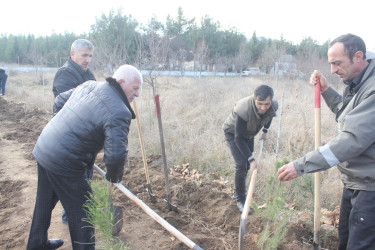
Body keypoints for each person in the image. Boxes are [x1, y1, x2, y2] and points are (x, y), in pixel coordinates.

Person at [26, 64, 143, 250]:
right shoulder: (119, 111)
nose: (137, 94)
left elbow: (59, 101)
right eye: (135, 88)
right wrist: (113, 178)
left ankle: (37, 243)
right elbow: (116, 155)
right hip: (65, 162)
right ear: (121, 82)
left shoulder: (89, 85)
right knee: (84, 212)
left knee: (44, 201)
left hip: (45, 146)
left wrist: (60, 128)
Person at [277, 34, 375, 249]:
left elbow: (353, 139)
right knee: (346, 242)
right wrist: (326, 90)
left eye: (337, 63)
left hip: (370, 189)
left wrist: (301, 165)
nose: (332, 70)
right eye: (330, 63)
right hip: (355, 183)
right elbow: (347, 114)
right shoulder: (358, 82)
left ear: (358, 56)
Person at [52, 38, 96, 224]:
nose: (87, 60)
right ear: (72, 54)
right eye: (84, 55)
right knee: (73, 178)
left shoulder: (88, 74)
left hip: (85, 135)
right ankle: (70, 216)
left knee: (85, 175)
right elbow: (73, 105)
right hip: (68, 135)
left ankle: (79, 213)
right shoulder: (65, 74)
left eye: (90, 56)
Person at [222, 85, 278, 213]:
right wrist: (252, 159)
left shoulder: (272, 106)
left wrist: (265, 131)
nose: (263, 107)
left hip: (249, 133)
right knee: (242, 164)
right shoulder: (243, 109)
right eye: (260, 104)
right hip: (233, 133)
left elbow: (268, 117)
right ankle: (240, 198)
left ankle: (238, 191)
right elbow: (239, 139)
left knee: (247, 165)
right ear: (254, 99)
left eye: (266, 104)